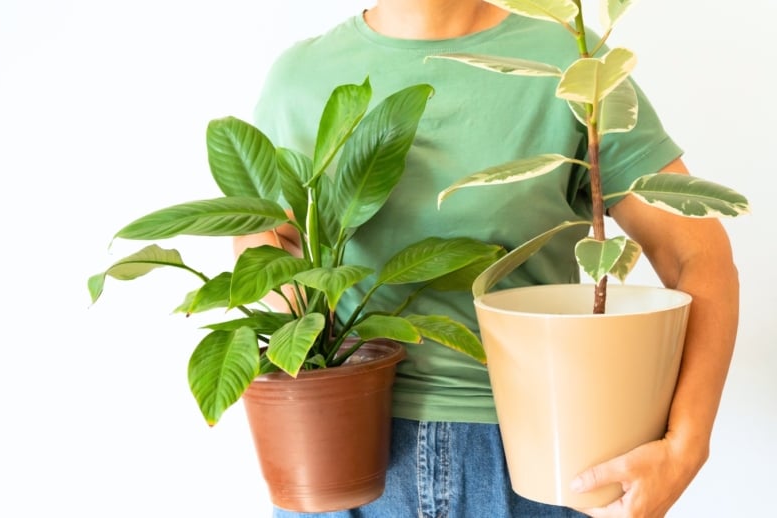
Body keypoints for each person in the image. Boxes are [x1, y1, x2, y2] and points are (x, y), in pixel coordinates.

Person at [234, 2, 740, 517]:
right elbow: (267, 244)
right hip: (341, 446)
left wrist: (687, 445)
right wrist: (305, 353)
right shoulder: (300, 77)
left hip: (539, 453)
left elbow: (697, 253)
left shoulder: (571, 65)